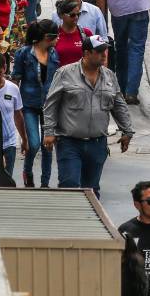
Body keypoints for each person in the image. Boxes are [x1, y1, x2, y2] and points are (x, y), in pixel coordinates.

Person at [42, 34, 133, 197]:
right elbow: (51, 104)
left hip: (97, 144)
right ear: (86, 53)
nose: (104, 54)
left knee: (91, 190)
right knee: (69, 186)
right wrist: (49, 132)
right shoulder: (65, 73)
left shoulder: (110, 76)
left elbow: (119, 105)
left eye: (105, 50)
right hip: (69, 142)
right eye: (99, 51)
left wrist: (127, 131)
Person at [13, 20, 61, 188]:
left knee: (48, 145)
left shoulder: (54, 54)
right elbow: (16, 78)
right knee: (33, 143)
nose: (58, 39)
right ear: (47, 37)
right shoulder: (24, 54)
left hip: (49, 105)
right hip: (28, 104)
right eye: (56, 36)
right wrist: (15, 104)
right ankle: (28, 170)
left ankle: (45, 182)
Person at [53, 0, 94, 67]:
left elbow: (94, 56)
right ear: (61, 15)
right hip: (61, 76)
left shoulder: (86, 33)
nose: (76, 17)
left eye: (78, 14)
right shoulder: (54, 35)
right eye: (72, 15)